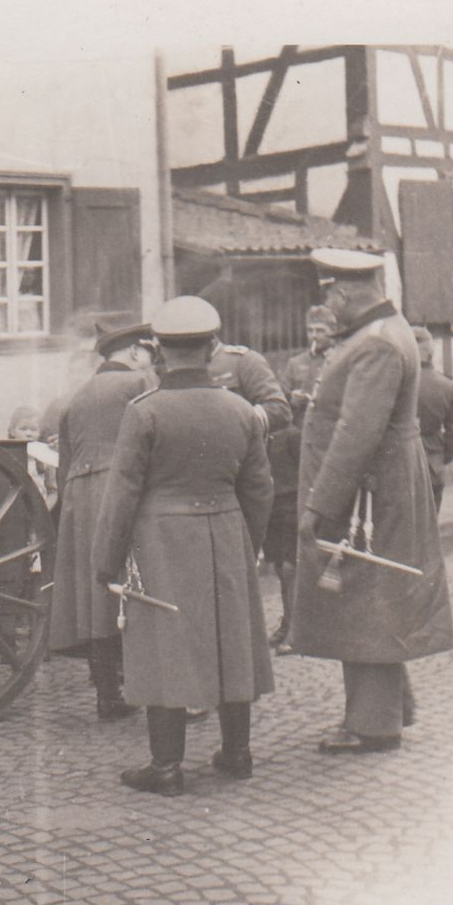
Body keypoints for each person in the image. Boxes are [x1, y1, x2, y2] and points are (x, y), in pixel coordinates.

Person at [92, 296, 275, 794]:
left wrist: (106, 562)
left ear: (158, 350)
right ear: (213, 346)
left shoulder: (144, 413)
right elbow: (260, 489)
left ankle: (166, 765)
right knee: (231, 638)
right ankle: (237, 753)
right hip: (227, 529)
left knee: (162, 642)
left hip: (162, 538)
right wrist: (247, 543)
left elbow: (123, 492)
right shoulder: (241, 410)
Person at [290, 249, 453, 754]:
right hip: (377, 485)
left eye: (330, 297)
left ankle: (374, 726)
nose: (328, 310)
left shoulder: (376, 344)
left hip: (367, 492)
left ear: (344, 292)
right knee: (373, 593)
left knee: (366, 597)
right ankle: (390, 707)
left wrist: (318, 506)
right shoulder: (384, 332)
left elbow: (356, 434)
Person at [49, 314, 156, 721]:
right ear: (132, 351)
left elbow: (63, 464)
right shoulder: (139, 384)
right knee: (139, 583)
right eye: (146, 351)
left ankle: (107, 694)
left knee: (94, 594)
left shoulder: (75, 397)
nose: (148, 359)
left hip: (80, 495)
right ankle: (146, 684)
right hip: (123, 490)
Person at [266, 305, 336, 651]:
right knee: (287, 563)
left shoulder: (338, 362)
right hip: (294, 450)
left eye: (321, 331)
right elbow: (279, 400)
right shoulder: (296, 365)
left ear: (332, 333)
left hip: (323, 454)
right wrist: (293, 400)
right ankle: (293, 622)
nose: (315, 337)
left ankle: (315, 624)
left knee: (320, 557)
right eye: (311, 331)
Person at [412, 325, 453, 510]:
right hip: (433, 468)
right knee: (429, 531)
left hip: (397, 470)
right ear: (431, 353)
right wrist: (439, 457)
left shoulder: (394, 382)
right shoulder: (448, 387)